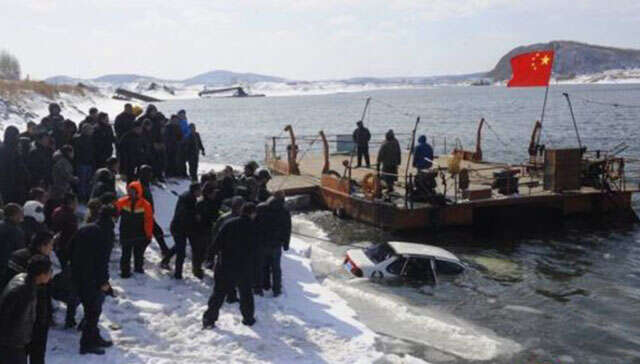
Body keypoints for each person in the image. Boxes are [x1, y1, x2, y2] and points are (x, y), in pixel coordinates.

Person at [202, 203, 257, 329]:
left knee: (218, 293)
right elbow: (257, 251)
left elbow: (216, 243)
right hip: (245, 267)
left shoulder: (229, 224)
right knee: (246, 294)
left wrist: (209, 258)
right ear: (253, 213)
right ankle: (248, 318)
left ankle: (209, 319)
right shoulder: (255, 228)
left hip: (226, 264)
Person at [70, 206, 115, 355]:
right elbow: (102, 261)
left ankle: (94, 337)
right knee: (93, 312)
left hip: (78, 274)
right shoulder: (105, 233)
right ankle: (87, 344)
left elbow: (69, 247)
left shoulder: (86, 228)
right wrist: (104, 282)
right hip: (92, 279)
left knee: (91, 309)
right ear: (114, 218)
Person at [4, 232, 54, 364]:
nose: (51, 249)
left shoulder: (18, 258)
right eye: (50, 245)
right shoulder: (26, 290)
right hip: (22, 333)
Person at [162, 182, 202, 279]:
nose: (201, 192)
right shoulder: (190, 199)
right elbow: (186, 214)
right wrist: (195, 217)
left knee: (178, 247)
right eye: (199, 190)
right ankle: (178, 274)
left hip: (179, 227)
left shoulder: (188, 196)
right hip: (180, 228)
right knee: (181, 252)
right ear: (195, 190)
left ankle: (165, 261)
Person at [115, 182, 153, 278]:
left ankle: (138, 269)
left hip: (139, 234)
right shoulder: (122, 202)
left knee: (138, 254)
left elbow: (148, 221)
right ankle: (125, 272)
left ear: (138, 192)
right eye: (129, 191)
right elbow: (114, 213)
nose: (130, 193)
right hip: (126, 233)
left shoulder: (146, 205)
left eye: (132, 191)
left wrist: (148, 234)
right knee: (125, 254)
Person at [263, 192, 291, 297]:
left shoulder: (263, 208)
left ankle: (265, 284)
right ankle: (277, 289)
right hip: (276, 243)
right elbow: (287, 229)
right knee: (276, 268)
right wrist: (286, 244)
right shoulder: (284, 211)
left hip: (264, 242)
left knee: (264, 265)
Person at [138, 165, 170, 257]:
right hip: (143, 216)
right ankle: (164, 251)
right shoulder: (140, 187)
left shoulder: (145, 184)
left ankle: (164, 250)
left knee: (156, 233)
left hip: (148, 215)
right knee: (149, 236)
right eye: (149, 174)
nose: (151, 175)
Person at [205, 196, 244, 271]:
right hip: (225, 245)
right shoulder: (224, 217)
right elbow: (215, 231)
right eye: (237, 206)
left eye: (240, 206)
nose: (239, 208)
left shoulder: (243, 218)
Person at [193, 182, 220, 279]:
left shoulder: (212, 202)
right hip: (200, 231)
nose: (215, 195)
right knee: (199, 251)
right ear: (209, 193)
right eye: (213, 193)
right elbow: (198, 219)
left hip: (208, 230)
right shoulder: (201, 203)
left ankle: (201, 265)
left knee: (205, 250)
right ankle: (196, 269)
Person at [0, 126, 30, 204]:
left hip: (18, 187)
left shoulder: (15, 150)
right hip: (10, 188)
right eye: (16, 136)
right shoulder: (5, 151)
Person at [138, 105, 167, 181]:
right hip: (147, 143)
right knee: (148, 161)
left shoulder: (157, 119)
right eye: (152, 111)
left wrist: (160, 142)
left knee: (159, 160)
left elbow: (159, 131)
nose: (153, 113)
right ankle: (148, 177)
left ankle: (158, 175)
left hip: (157, 142)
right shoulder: (143, 119)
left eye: (155, 111)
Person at [0, 204, 25, 289]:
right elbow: (20, 250)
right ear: (13, 216)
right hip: (6, 265)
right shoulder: (16, 231)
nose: (21, 217)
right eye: (20, 215)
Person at [51, 192, 78, 270]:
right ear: (71, 203)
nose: (76, 204)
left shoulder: (57, 210)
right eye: (75, 202)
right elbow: (72, 234)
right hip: (65, 247)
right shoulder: (70, 216)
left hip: (56, 244)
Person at [73, 123, 96, 202]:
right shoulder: (78, 139)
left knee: (88, 181)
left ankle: (87, 196)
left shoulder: (91, 139)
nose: (91, 131)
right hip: (81, 163)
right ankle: (82, 197)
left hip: (89, 163)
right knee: (82, 182)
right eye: (90, 130)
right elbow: (77, 153)